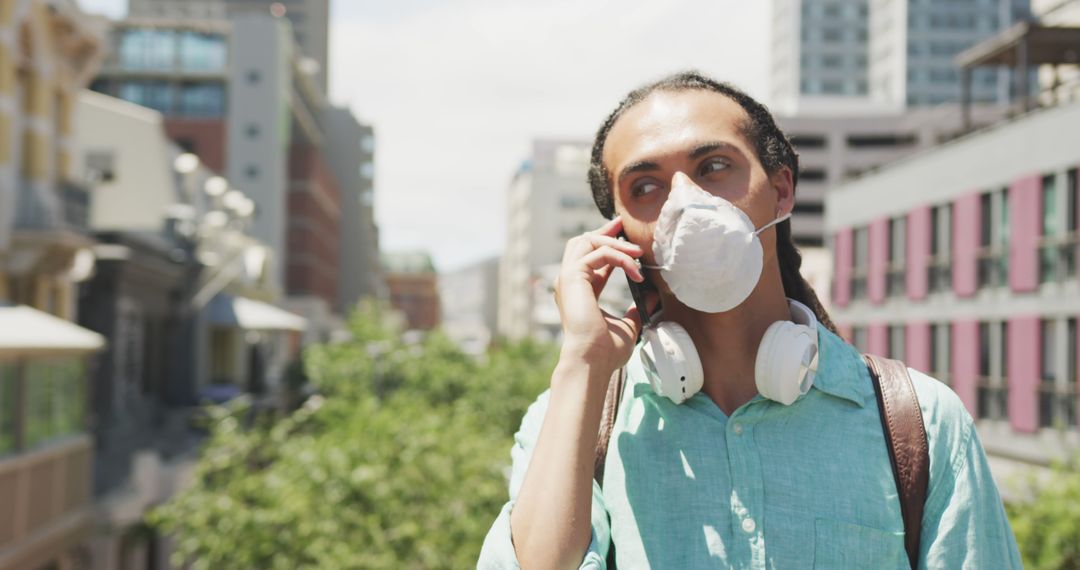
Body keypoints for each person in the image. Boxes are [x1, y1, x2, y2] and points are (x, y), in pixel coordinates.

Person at [477, 71, 1021, 569]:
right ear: (619, 234)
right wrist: (582, 363)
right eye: (646, 186)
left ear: (781, 191)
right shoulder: (575, 419)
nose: (684, 203)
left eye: (713, 168)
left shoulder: (920, 422)